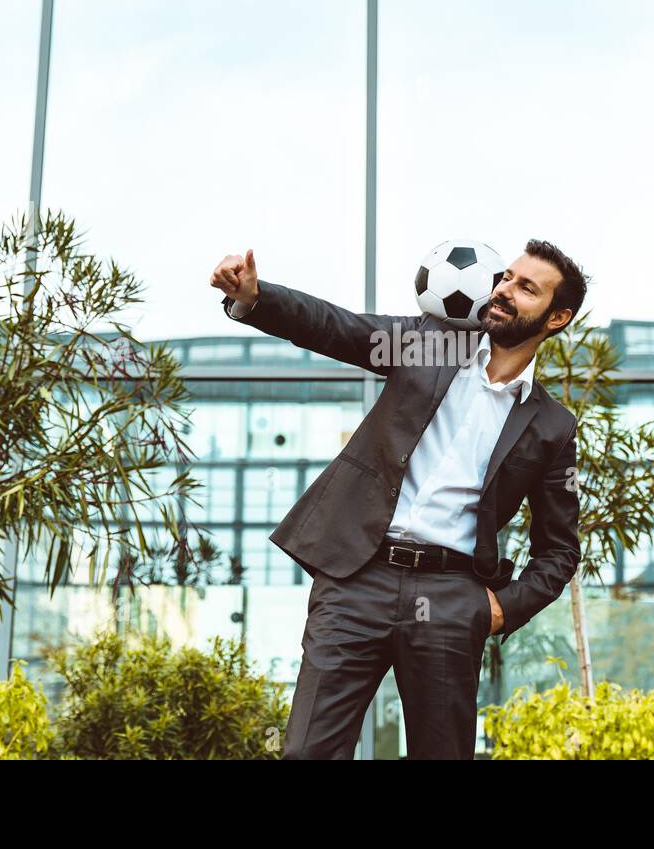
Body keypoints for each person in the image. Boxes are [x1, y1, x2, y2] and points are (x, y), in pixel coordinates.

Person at [209, 239, 588, 759]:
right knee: (306, 751)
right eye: (505, 278)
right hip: (357, 579)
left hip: (454, 597)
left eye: (527, 289)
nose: (503, 291)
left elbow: (560, 550)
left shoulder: (552, 426)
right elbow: (334, 325)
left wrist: (497, 610)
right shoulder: (431, 340)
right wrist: (255, 297)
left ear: (557, 317)